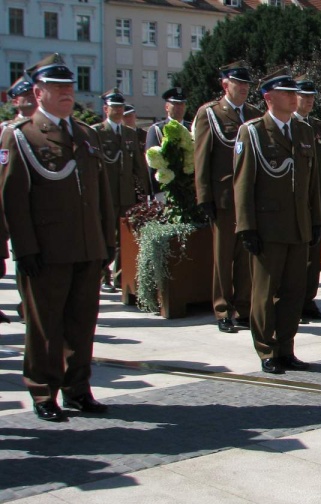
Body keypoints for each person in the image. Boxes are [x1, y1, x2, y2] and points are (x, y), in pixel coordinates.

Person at [0, 53, 116, 422]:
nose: (67, 94)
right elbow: (12, 199)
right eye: (57, 88)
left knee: (82, 324)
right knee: (45, 327)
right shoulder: (20, 136)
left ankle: (78, 389)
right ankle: (42, 390)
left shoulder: (85, 134)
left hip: (86, 246)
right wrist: (26, 248)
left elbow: (101, 195)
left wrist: (106, 240)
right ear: (38, 93)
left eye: (69, 87)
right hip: (47, 251)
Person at [233, 68, 321, 375]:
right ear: (269, 98)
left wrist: (315, 219)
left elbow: (312, 182)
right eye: (287, 93)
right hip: (268, 227)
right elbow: (243, 183)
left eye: (294, 92)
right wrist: (246, 227)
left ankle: (286, 347)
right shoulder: (253, 131)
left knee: (293, 291)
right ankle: (267, 349)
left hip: (298, 225)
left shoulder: (304, 131)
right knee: (264, 292)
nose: (293, 97)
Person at [193, 61, 261, 334]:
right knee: (223, 257)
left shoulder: (254, 114)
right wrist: (204, 197)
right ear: (225, 84)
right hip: (223, 196)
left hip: (250, 198)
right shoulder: (210, 114)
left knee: (246, 256)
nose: (243, 89)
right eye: (238, 83)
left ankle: (244, 307)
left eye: (246, 84)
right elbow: (202, 157)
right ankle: (223, 309)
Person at [92, 88, 149, 293]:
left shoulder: (129, 133)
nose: (118, 111)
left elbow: (138, 167)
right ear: (105, 109)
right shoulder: (97, 132)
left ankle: (120, 278)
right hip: (105, 195)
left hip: (126, 194)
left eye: (120, 107)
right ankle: (102, 275)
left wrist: (144, 190)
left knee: (124, 238)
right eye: (114, 107)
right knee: (104, 235)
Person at [293, 75, 321, 322]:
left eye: (311, 97)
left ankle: (308, 300)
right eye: (304, 96)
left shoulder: (318, 127)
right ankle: (294, 303)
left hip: (317, 201)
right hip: (299, 203)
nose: (309, 101)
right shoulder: (289, 126)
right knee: (298, 258)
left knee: (314, 257)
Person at [145, 87, 189, 194]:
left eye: (182, 104)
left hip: (189, 188)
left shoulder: (192, 128)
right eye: (175, 104)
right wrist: (157, 193)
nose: (179, 107)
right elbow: (152, 165)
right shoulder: (157, 130)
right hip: (166, 189)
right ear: (167, 107)